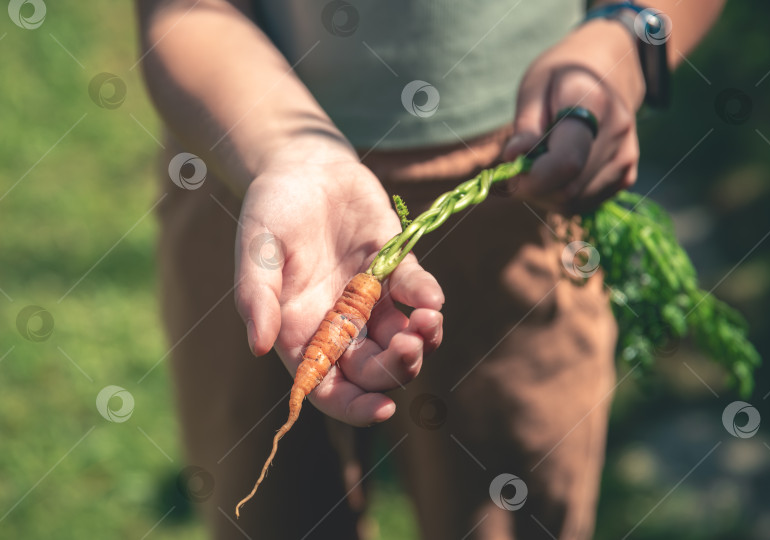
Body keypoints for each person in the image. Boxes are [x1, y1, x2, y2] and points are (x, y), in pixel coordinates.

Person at [135, 0, 724, 538]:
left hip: (518, 177)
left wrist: (623, 38)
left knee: (506, 511)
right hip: (248, 154)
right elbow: (185, 12)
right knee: (268, 517)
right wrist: (291, 151)